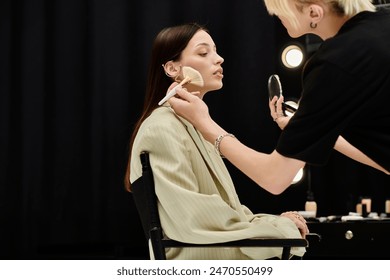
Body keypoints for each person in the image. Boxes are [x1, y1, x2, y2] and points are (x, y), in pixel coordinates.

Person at [125, 22, 308, 260]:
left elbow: (229, 213)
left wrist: (275, 222)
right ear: (172, 68)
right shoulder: (161, 128)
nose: (219, 59)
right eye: (204, 52)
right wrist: (282, 229)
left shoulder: (194, 128)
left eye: (216, 51)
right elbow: (198, 220)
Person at [168, 0, 390, 195]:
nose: (275, 15)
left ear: (314, 13)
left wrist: (204, 122)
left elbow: (274, 178)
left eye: (279, 9)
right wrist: (311, 130)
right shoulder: (382, 24)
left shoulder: (334, 63)